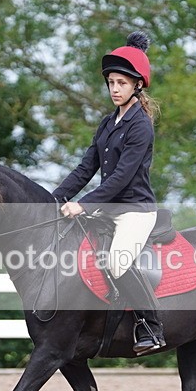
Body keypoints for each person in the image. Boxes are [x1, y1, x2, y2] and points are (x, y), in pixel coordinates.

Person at [52, 31, 165, 354]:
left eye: (121, 83)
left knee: (117, 261)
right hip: (109, 208)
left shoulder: (140, 125)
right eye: (111, 83)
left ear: (137, 85)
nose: (115, 89)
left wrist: (82, 205)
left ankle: (151, 326)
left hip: (135, 209)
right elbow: (85, 169)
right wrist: (54, 199)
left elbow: (119, 179)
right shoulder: (107, 123)